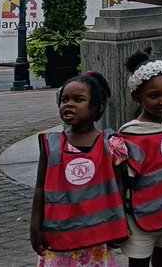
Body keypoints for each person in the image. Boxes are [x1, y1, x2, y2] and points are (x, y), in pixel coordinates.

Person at [30, 71, 129, 267]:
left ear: (98, 108)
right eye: (64, 99)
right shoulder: (51, 145)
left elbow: (120, 187)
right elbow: (40, 187)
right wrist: (35, 226)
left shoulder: (112, 144)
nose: (69, 104)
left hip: (97, 236)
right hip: (59, 234)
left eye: (79, 99)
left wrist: (119, 224)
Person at [118, 50, 162, 267]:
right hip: (141, 216)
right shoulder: (130, 135)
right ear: (136, 98)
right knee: (139, 262)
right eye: (154, 95)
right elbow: (123, 180)